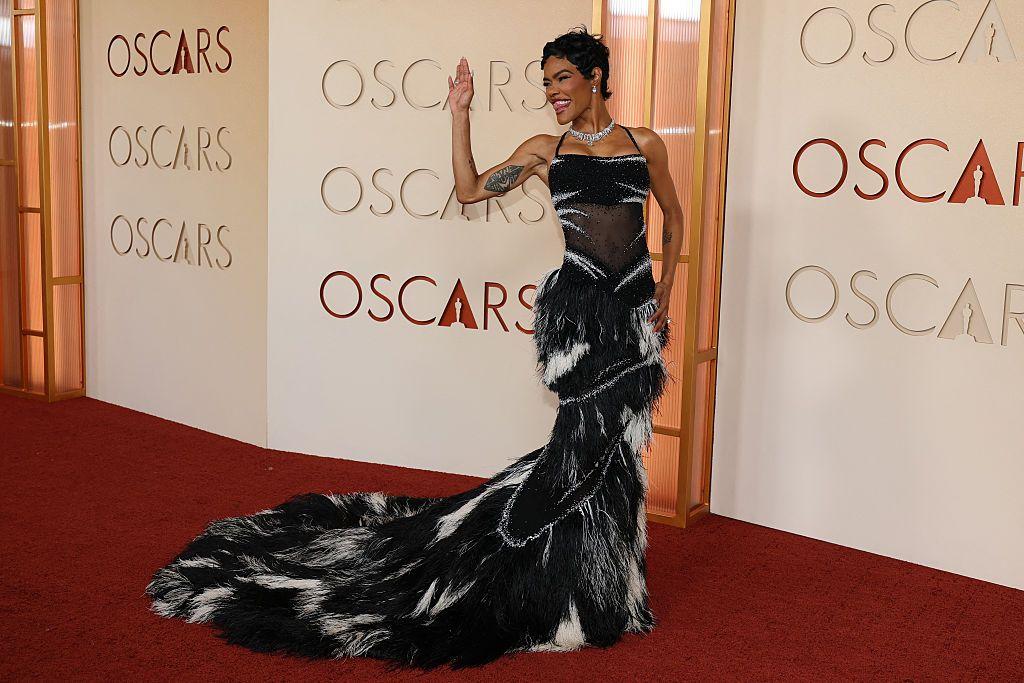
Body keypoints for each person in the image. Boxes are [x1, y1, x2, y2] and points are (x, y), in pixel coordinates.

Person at [145, 26, 685, 669]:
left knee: (619, 448)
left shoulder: (644, 144)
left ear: (595, 76)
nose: (553, 94)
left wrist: (666, 296)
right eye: (545, 83)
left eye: (561, 79)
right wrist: (460, 116)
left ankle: (606, 585)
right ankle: (555, 583)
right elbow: (470, 189)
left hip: (631, 310)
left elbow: (674, 221)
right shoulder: (547, 149)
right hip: (578, 316)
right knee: (580, 445)